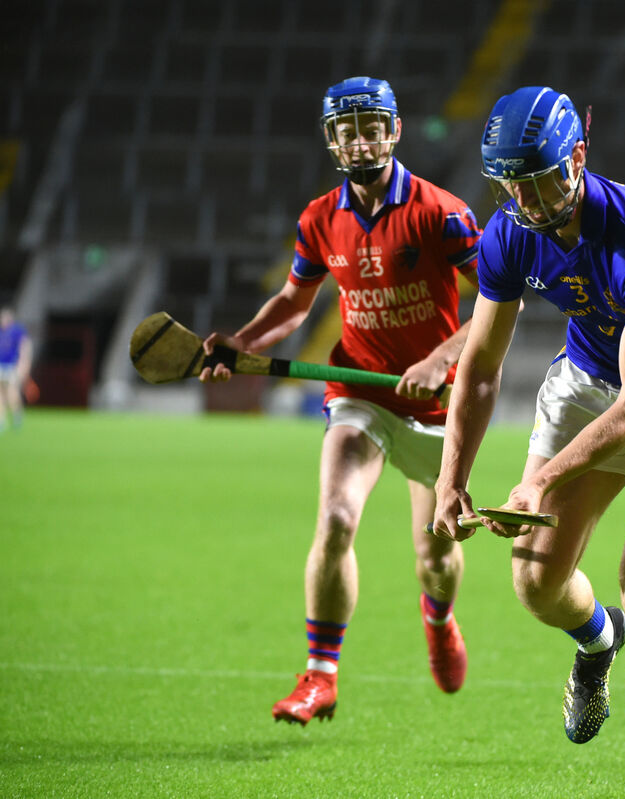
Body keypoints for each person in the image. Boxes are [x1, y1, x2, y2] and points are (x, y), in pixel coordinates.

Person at [429, 86, 625, 799]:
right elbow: (479, 368)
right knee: (535, 583)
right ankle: (599, 641)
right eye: (510, 182)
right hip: (587, 376)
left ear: (577, 157)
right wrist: (453, 477)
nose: (528, 199)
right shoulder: (509, 231)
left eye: (540, 178)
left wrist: (537, 482)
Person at [199, 76, 482, 723]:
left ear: (395, 131)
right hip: (359, 390)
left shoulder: (443, 212)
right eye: (347, 129)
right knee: (335, 518)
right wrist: (243, 343)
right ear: (332, 139)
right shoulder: (319, 217)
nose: (360, 140)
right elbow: (296, 303)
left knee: (434, 556)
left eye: (371, 126)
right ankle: (320, 675)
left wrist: (442, 358)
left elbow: (497, 301)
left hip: (435, 404)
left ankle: (437, 618)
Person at [0, 306, 32, 432]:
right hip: (0, 365)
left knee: (12, 392)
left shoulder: (17, 331)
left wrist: (24, 363)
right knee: (0, 393)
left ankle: (17, 415)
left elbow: (25, 347)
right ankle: (2, 420)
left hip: (11, 366)